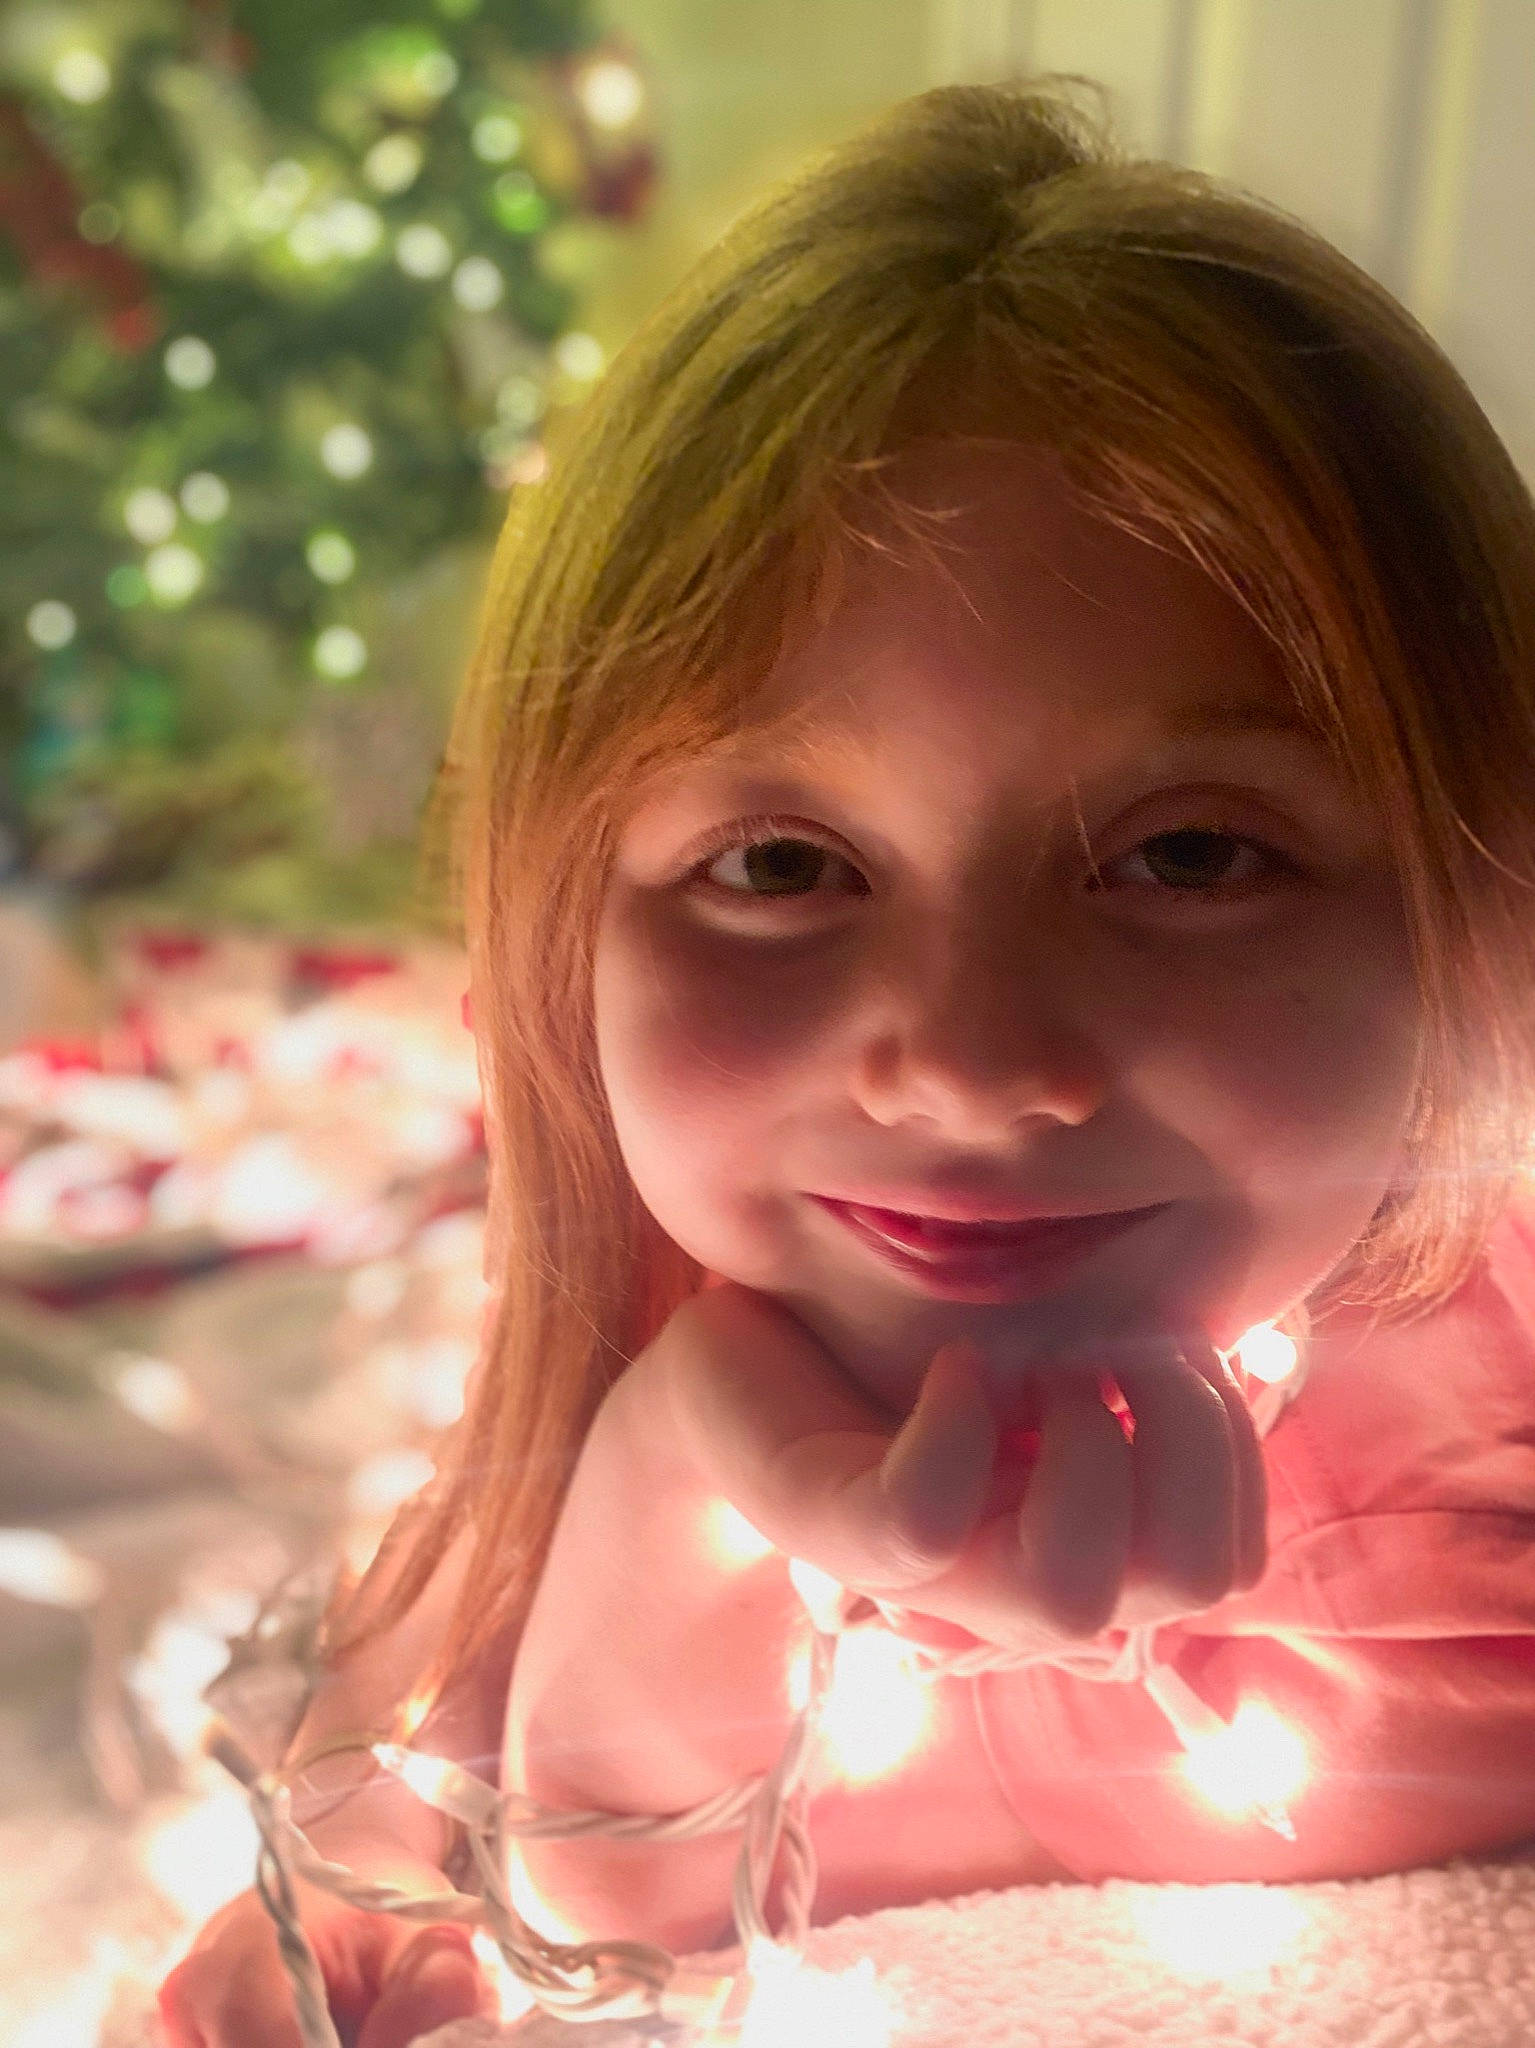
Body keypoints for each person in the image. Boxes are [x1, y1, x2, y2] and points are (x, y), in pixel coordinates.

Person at [159, 75, 1535, 2046]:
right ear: (567, 949)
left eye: (1190, 856)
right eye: (783, 865)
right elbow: (567, 1865)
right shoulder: (670, 1292)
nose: (970, 1065)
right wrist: (681, 1452)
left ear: (1481, 905)